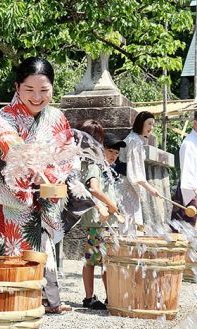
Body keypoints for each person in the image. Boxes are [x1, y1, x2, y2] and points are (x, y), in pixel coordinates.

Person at [0, 57, 73, 314]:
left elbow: (68, 153)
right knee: (0, 250)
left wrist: (55, 176)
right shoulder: (4, 117)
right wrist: (37, 170)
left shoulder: (57, 117)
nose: (37, 97)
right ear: (17, 87)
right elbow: (12, 147)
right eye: (29, 90)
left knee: (42, 245)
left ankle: (43, 299)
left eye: (44, 90)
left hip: (42, 193)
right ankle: (0, 305)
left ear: (53, 88)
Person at [77, 125, 125, 310]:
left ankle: (107, 296)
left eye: (116, 152)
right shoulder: (95, 166)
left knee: (105, 260)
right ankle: (92, 297)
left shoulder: (108, 169)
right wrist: (112, 206)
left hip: (107, 222)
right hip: (99, 222)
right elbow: (93, 189)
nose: (113, 155)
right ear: (100, 150)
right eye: (110, 151)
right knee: (98, 260)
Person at [116, 111, 159, 234]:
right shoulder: (135, 141)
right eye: (149, 124)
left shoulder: (134, 139)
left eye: (153, 125)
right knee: (129, 221)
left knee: (129, 220)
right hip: (126, 185)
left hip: (125, 183)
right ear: (141, 123)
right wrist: (149, 188)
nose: (151, 128)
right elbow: (135, 171)